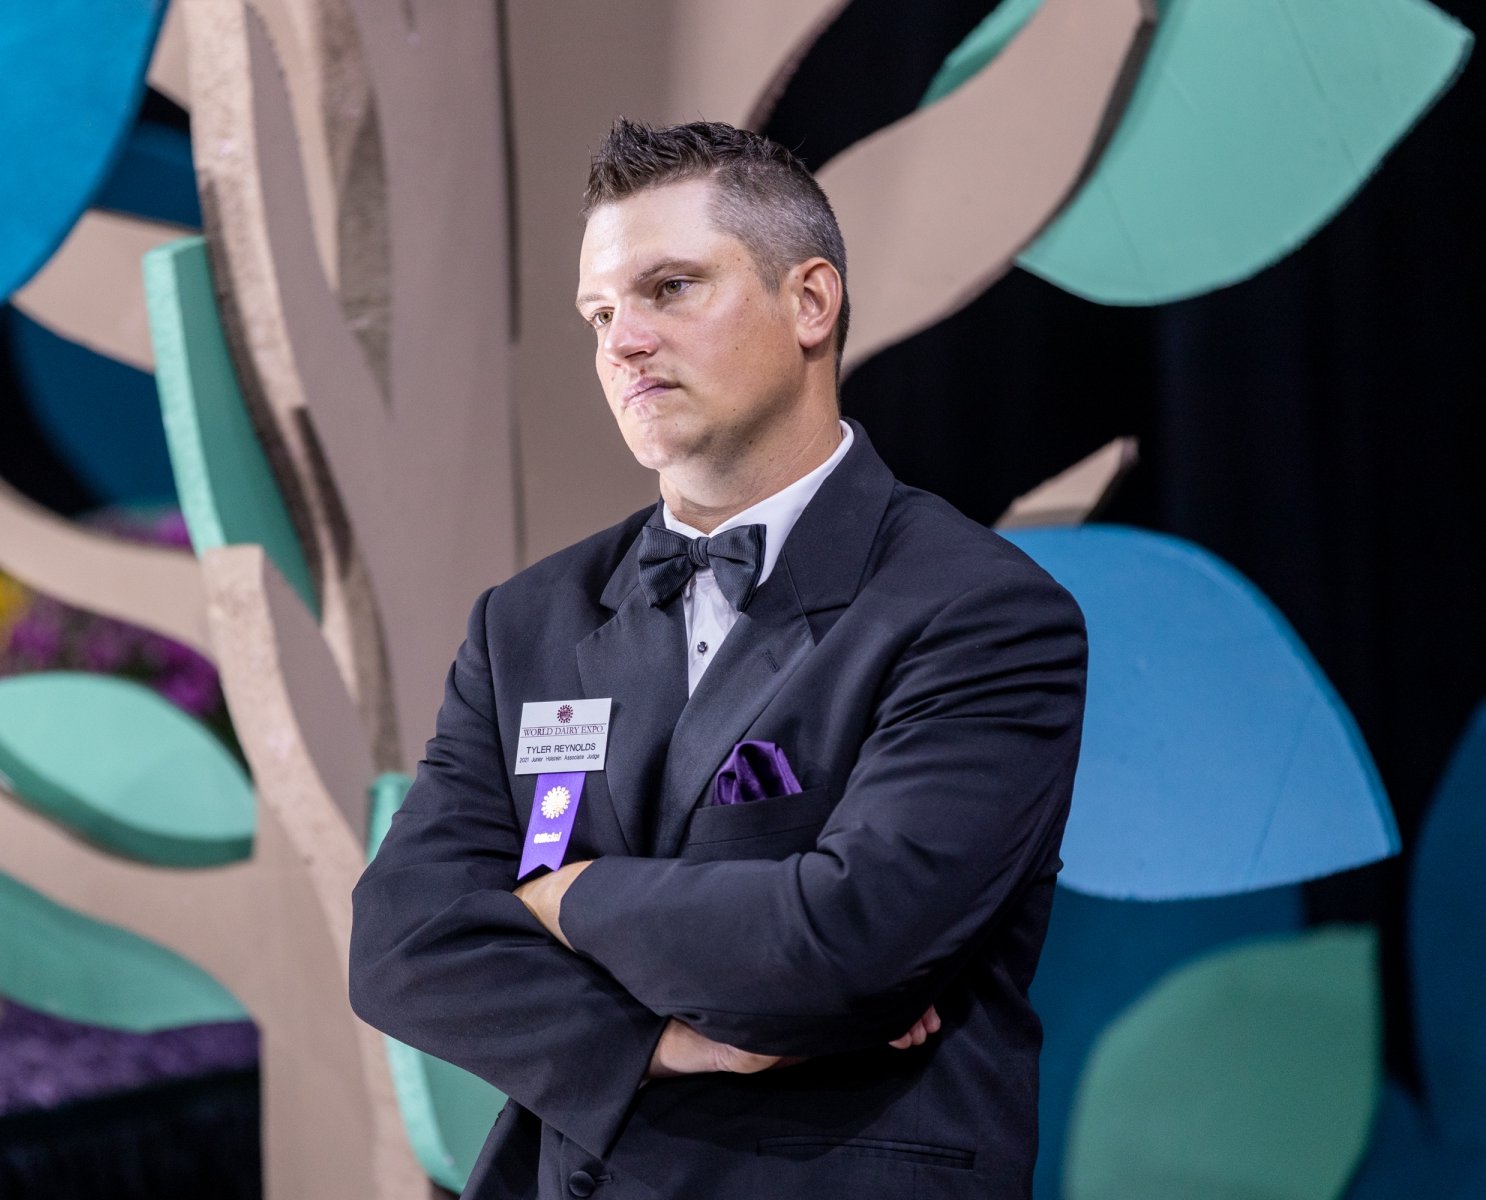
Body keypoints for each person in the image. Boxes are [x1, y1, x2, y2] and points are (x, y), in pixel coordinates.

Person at [350, 119, 1087, 1200]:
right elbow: (401, 942)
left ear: (810, 302)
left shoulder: (981, 612)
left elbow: (840, 946)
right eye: (601, 314)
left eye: (671, 289)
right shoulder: (526, 622)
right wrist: (657, 1042)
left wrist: (566, 897)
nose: (623, 343)